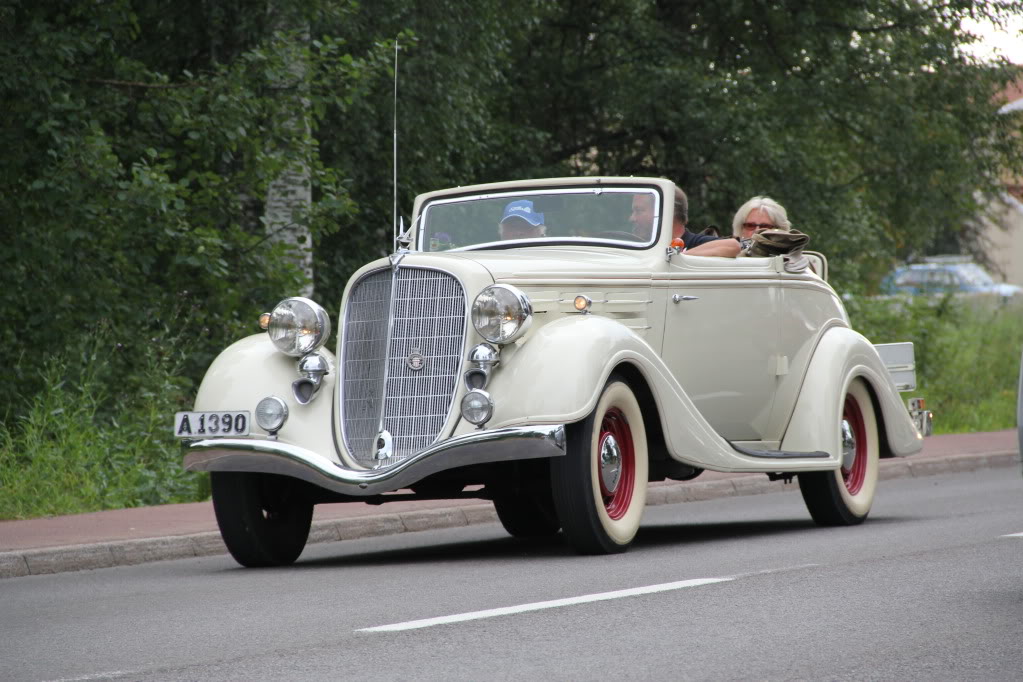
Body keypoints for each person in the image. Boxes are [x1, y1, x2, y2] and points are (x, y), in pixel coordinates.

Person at [631, 187, 739, 257]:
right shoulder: (642, 248)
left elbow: (733, 246)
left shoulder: (694, 242)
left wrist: (680, 258)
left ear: (665, 212)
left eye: (638, 211)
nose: (632, 218)